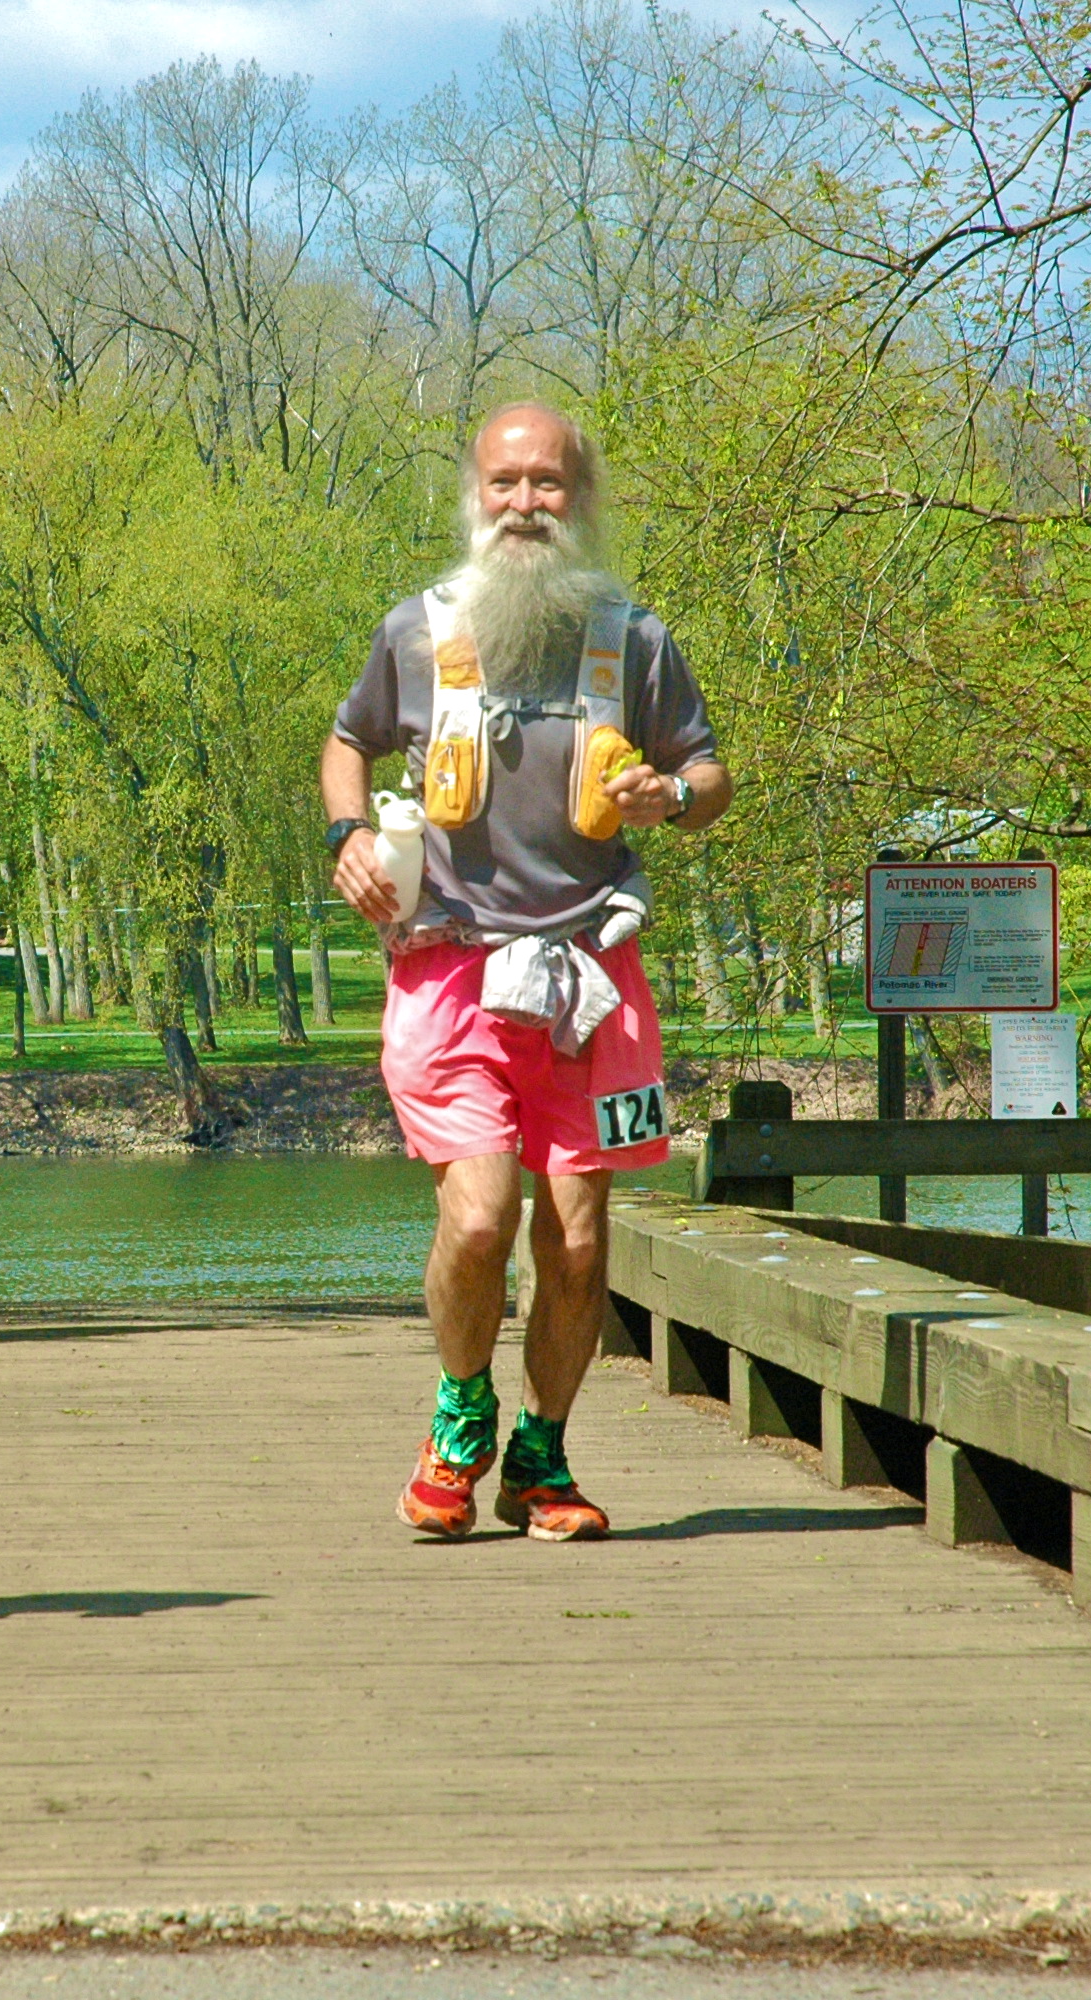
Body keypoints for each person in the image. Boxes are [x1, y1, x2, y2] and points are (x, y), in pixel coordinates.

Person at [320, 402, 732, 1542]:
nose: (522, 503)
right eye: (503, 482)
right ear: (471, 492)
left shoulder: (631, 638)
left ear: (581, 498)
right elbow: (348, 739)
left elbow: (707, 770)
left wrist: (674, 795)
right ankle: (458, 1424)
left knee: (580, 1236)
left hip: (591, 977)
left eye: (546, 483)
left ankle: (539, 1457)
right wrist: (347, 835)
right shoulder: (419, 629)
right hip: (451, 968)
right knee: (479, 1214)